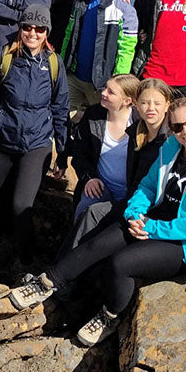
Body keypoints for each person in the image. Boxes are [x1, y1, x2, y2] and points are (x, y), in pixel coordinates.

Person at [8, 96, 186, 347]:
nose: (185, 131)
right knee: (98, 242)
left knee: (120, 263)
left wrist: (152, 228)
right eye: (177, 127)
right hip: (156, 218)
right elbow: (148, 186)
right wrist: (135, 212)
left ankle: (110, 316)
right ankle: (47, 283)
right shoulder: (172, 148)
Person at [0, 3, 69, 272]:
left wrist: (62, 153)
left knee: (21, 204)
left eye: (39, 29)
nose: (33, 33)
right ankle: (8, 245)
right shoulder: (3, 57)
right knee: (2, 201)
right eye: (27, 27)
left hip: (36, 144)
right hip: (2, 142)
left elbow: (61, 109)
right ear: (20, 28)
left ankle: (28, 261)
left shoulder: (53, 63)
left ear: (46, 32)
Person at [60, 76, 173, 254]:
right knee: (86, 208)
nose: (103, 93)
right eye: (105, 88)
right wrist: (89, 178)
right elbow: (80, 154)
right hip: (101, 186)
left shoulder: (140, 122)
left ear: (127, 101)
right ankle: (70, 256)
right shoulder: (94, 115)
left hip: (131, 193)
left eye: (111, 92)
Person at [59, 0, 139, 118]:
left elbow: (126, 50)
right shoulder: (81, 0)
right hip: (74, 77)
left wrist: (117, 83)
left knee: (98, 126)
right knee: (63, 121)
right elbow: (69, 34)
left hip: (102, 84)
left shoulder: (125, 11)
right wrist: (63, 66)